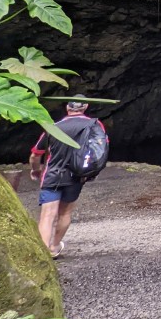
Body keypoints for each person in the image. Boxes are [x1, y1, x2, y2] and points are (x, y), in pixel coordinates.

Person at [29, 97, 105, 258]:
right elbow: (99, 150)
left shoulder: (53, 127)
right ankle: (54, 247)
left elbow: (35, 155)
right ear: (85, 107)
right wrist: (91, 170)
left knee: (47, 214)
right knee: (64, 213)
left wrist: (35, 170)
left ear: (67, 108)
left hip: (52, 175)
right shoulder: (94, 125)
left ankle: (43, 254)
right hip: (76, 176)